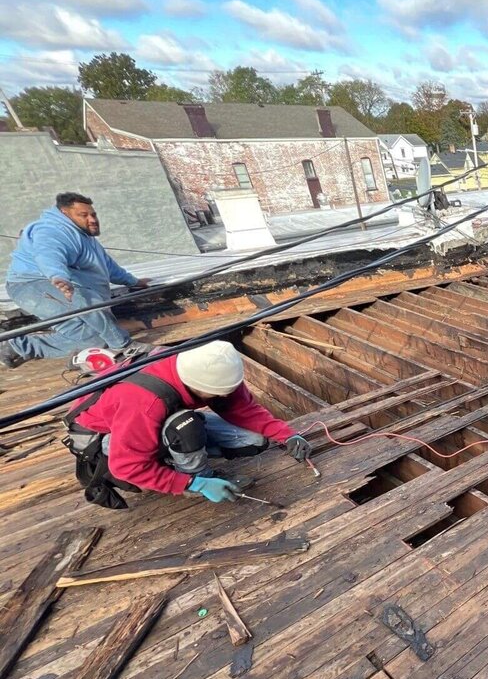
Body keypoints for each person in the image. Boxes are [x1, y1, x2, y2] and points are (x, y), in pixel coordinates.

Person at [62, 341, 313, 509]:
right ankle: (196, 475)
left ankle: (174, 454)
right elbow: (127, 466)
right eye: (217, 396)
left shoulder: (209, 364)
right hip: (103, 437)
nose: (225, 399)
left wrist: (288, 435)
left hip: (156, 418)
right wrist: (193, 484)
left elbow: (242, 408)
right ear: (195, 387)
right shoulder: (143, 402)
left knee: (253, 441)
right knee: (185, 425)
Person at [1, 193, 152, 369]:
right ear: (65, 214)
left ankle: (14, 346)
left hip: (60, 285)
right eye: (84, 215)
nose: (92, 219)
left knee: (95, 342)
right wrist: (59, 277)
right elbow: (48, 255)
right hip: (32, 284)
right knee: (86, 300)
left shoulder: (86, 239)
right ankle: (125, 347)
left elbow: (107, 267)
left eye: (93, 214)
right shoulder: (51, 231)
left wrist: (133, 281)